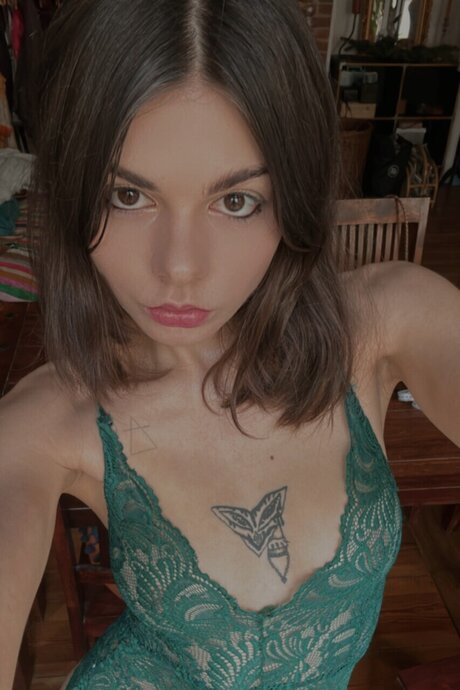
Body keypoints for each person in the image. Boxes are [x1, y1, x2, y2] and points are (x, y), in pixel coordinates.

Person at [1, 0, 459, 688]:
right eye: (127, 195)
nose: (180, 267)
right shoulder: (41, 425)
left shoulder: (384, 319)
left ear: (292, 196)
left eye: (237, 201)